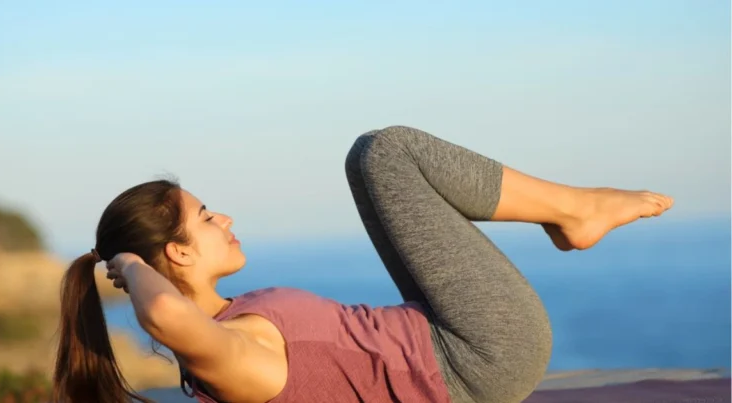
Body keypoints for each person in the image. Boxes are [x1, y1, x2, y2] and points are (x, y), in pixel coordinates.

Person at [52, 126, 673, 403]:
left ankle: (572, 211)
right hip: (476, 358)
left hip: (446, 339)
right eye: (207, 215)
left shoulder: (234, 323)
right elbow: (164, 317)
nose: (227, 220)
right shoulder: (228, 357)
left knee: (366, 166)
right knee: (385, 155)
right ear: (177, 252)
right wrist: (132, 264)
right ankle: (575, 210)